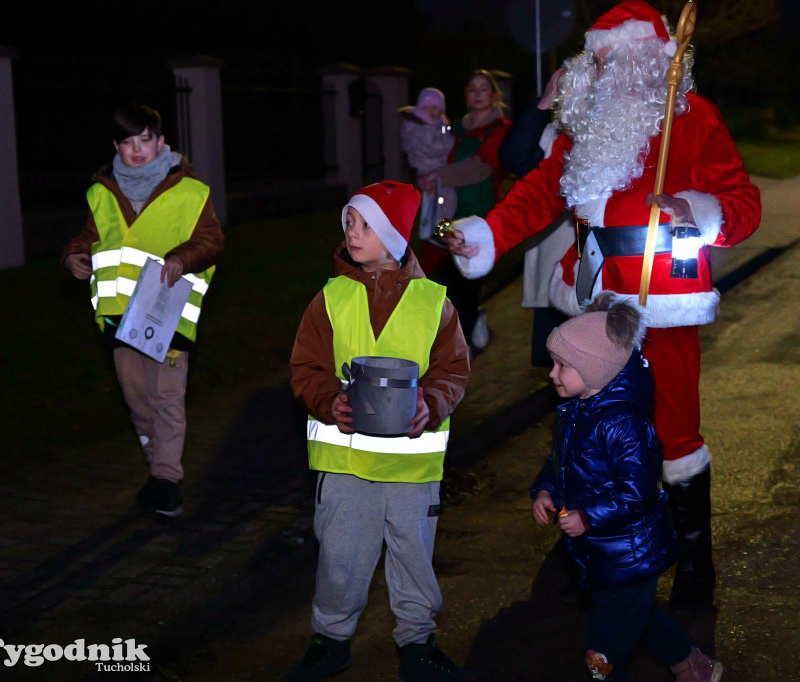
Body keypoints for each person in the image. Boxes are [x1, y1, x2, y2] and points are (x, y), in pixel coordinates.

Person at [446, 0, 762, 612]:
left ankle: (696, 568)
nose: (602, 66)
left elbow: (744, 203)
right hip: (594, 308)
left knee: (673, 436)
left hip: (664, 308)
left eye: (614, 55)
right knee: (590, 435)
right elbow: (538, 194)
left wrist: (695, 212)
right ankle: (590, 555)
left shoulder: (693, 120)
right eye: (598, 56)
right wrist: (486, 234)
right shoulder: (583, 126)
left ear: (651, 57)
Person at [288, 181, 475, 682]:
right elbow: (305, 368)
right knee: (341, 558)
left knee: (414, 556)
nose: (353, 231)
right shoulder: (328, 299)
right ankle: (330, 641)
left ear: (394, 234)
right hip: (345, 466)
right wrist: (329, 401)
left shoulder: (435, 302)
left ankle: (417, 644)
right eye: (349, 221)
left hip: (411, 467)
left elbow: (453, 371)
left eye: (366, 224)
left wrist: (431, 403)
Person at [530, 292, 723, 682]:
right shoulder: (576, 408)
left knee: (605, 646)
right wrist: (545, 489)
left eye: (562, 365)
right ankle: (691, 664)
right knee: (637, 616)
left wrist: (587, 516)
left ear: (595, 370)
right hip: (601, 550)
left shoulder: (623, 424)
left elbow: (637, 491)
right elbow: (562, 462)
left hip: (629, 552)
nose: (552, 373)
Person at [61, 103, 223, 518]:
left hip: (167, 313)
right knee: (137, 400)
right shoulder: (102, 192)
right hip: (118, 315)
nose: (138, 149)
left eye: (145, 140)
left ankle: (168, 478)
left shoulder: (190, 191)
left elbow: (211, 240)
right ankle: (157, 472)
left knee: (165, 395)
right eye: (128, 142)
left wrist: (183, 258)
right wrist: (75, 256)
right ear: (117, 146)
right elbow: (90, 237)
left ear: (160, 141)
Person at [420, 70, 511, 357]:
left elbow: (481, 166)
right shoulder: (453, 128)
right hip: (445, 214)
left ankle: (463, 344)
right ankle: (454, 335)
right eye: (472, 88)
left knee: (466, 279)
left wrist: (438, 175)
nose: (478, 93)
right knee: (440, 273)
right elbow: (430, 152)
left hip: (477, 216)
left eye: (484, 88)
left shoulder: (500, 128)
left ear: (494, 95)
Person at [498, 66, 573, 367]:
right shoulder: (551, 132)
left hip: (605, 276)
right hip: (555, 269)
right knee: (556, 368)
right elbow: (515, 157)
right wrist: (543, 103)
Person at [399, 87, 457, 238]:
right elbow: (436, 147)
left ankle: (434, 231)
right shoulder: (421, 128)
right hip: (430, 170)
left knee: (441, 202)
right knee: (448, 198)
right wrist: (451, 139)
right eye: (427, 107)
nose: (431, 111)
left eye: (436, 107)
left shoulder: (434, 125)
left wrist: (446, 128)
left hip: (434, 170)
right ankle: (439, 231)